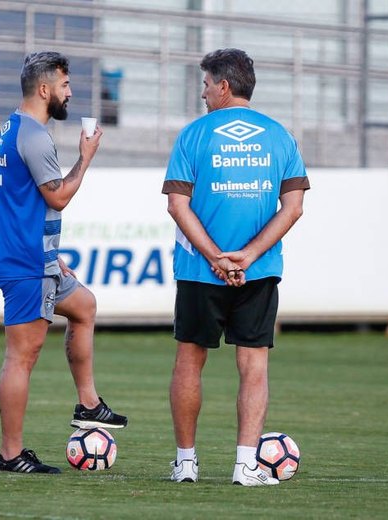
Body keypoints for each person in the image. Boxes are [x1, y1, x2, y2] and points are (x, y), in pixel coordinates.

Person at [162, 48, 310, 486]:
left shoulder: (193, 134)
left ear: (223, 86)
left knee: (190, 361)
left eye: (206, 84)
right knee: (254, 366)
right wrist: (247, 256)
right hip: (259, 270)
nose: (203, 93)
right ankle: (246, 466)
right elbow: (294, 207)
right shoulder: (280, 136)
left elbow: (177, 205)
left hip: (197, 269)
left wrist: (213, 257)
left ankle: (186, 464)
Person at [0, 51, 128, 474]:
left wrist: (52, 253)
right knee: (21, 358)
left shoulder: (14, 127)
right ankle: (10, 455)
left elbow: (18, 201)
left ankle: (88, 404)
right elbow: (58, 196)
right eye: (65, 86)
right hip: (25, 263)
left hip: (35, 255)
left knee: (83, 306)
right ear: (45, 89)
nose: (70, 93)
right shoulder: (33, 136)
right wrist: (86, 156)